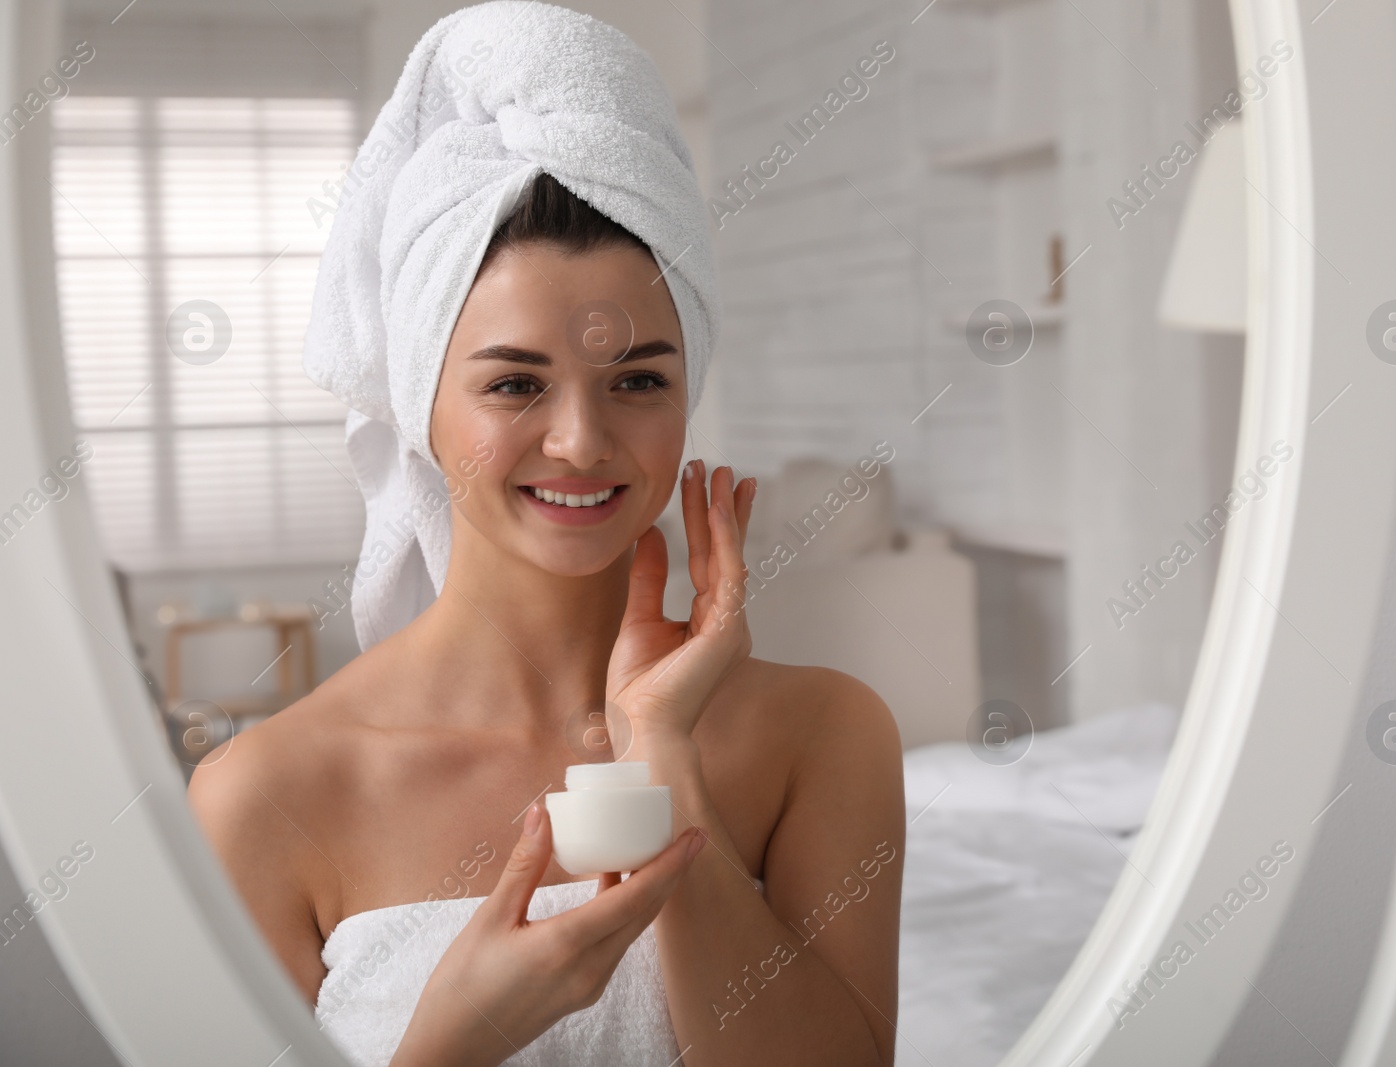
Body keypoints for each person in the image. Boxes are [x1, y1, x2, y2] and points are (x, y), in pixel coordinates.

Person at [188, 140, 903, 1067]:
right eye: (516, 384)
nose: (580, 439)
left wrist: (660, 754)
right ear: (421, 406)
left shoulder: (826, 733)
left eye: (638, 380)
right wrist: (452, 1042)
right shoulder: (268, 792)